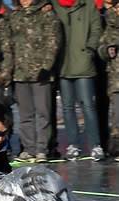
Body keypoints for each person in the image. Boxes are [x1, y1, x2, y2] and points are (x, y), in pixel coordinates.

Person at [51, 0, 104, 161]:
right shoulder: (54, 6)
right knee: (67, 107)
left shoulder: (88, 5)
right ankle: (74, 144)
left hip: (83, 63)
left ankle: (95, 145)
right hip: (63, 64)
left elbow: (96, 29)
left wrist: (90, 49)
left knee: (88, 105)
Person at [9, 0, 62, 162]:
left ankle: (42, 149)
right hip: (20, 73)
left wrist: (47, 66)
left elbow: (53, 41)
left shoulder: (47, 14)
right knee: (25, 114)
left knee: (43, 112)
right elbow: (8, 43)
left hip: (41, 74)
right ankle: (29, 148)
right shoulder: (14, 16)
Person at [98, 0, 119, 161]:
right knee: (117, 115)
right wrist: (107, 50)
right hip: (116, 78)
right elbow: (101, 48)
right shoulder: (110, 26)